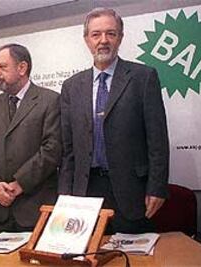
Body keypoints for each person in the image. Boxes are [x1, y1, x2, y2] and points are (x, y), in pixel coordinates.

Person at [58, 8, 169, 234]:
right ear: (87, 40)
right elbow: (68, 149)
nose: (103, 40)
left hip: (131, 192)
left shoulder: (143, 77)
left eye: (111, 33)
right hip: (85, 193)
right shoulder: (72, 86)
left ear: (120, 37)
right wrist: (64, 193)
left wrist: (157, 188)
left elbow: (157, 140)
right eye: (96, 34)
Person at [0, 43, 61, 233]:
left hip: (35, 208)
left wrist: (19, 184)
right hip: (0, 211)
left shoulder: (50, 100)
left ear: (22, 68)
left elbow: (52, 149)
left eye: (2, 67)